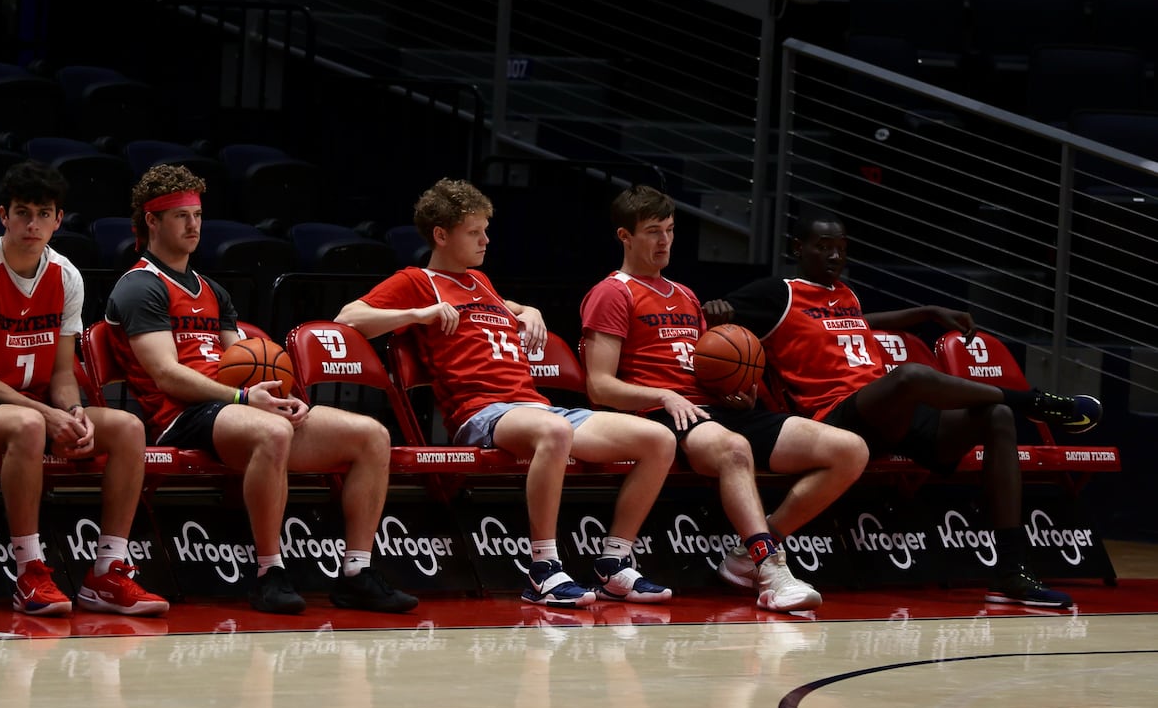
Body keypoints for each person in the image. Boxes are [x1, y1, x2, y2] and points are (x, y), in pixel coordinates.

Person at [714, 211, 1103, 608]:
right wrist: (719, 315)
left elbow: (860, 323)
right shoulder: (777, 293)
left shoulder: (845, 295)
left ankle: (1011, 573)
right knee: (911, 376)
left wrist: (928, 312)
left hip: (888, 417)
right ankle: (1035, 402)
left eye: (841, 248)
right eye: (823, 247)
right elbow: (715, 322)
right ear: (798, 248)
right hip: (837, 420)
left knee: (996, 417)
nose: (834, 256)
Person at [336, 178, 678, 608]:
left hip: (532, 407)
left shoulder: (480, 282)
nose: (486, 239)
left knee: (658, 440)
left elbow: (506, 306)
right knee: (553, 432)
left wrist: (528, 310)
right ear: (441, 236)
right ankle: (543, 569)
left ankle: (613, 562)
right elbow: (349, 316)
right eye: (474, 232)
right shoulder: (418, 281)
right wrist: (417, 314)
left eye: (486, 229)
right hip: (482, 413)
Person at [103, 164, 418, 615]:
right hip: (179, 416)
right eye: (179, 216)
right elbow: (166, 375)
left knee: (372, 436)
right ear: (151, 222)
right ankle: (270, 571)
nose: (193, 225)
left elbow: (246, 359)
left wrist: (279, 392)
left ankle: (356, 573)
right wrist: (244, 398)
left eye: (196, 214)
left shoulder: (212, 289)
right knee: (272, 433)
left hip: (233, 408)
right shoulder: (139, 287)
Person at [578, 186, 869, 612]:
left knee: (849, 449)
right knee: (734, 447)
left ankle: (743, 556)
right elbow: (599, 386)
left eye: (671, 230)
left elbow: (708, 365)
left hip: (712, 409)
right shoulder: (612, 292)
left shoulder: (685, 294)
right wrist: (664, 393)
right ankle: (771, 570)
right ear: (625, 236)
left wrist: (733, 391)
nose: (664, 241)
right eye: (653, 232)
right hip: (660, 415)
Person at [0, 161, 168, 617]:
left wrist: (73, 410)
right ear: (4, 215)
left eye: (43, 214)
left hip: (31, 406)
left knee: (128, 428)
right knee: (28, 425)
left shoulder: (66, 275)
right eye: (22, 212)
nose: (32, 224)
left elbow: (61, 372)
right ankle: (30, 572)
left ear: (59, 220)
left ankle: (107, 572)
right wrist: (46, 415)